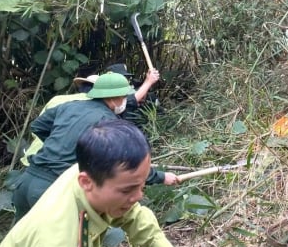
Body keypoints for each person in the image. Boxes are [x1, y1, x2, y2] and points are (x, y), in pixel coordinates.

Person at [0, 119, 189, 247]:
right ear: (86, 182)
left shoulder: (92, 170)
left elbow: (132, 213)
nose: (138, 197)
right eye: (128, 190)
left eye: (142, 185)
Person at [12, 72, 179, 221]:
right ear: (114, 98)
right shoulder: (108, 124)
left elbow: (38, 126)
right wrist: (162, 177)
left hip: (26, 182)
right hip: (52, 190)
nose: (124, 101)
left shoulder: (69, 106)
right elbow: (125, 163)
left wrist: (61, 144)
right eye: (123, 97)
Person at [20, 68, 161, 166]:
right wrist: (148, 81)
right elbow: (134, 98)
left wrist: (57, 144)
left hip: (35, 159)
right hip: (60, 170)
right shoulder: (97, 110)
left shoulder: (59, 100)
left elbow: (37, 126)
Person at [19, 74, 98, 166]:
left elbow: (37, 126)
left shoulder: (57, 99)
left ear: (81, 87)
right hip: (61, 163)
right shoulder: (95, 107)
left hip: (35, 155)